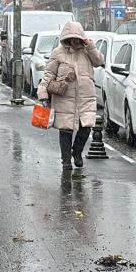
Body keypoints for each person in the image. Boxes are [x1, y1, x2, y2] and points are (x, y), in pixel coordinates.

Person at [37, 22, 104, 171]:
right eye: (72, 37)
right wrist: (43, 95)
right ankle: (66, 160)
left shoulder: (87, 52)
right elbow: (48, 75)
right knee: (65, 130)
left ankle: (77, 151)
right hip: (64, 99)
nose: (75, 40)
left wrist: (90, 46)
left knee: (86, 127)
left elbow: (99, 61)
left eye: (77, 37)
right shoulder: (58, 53)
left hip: (85, 98)